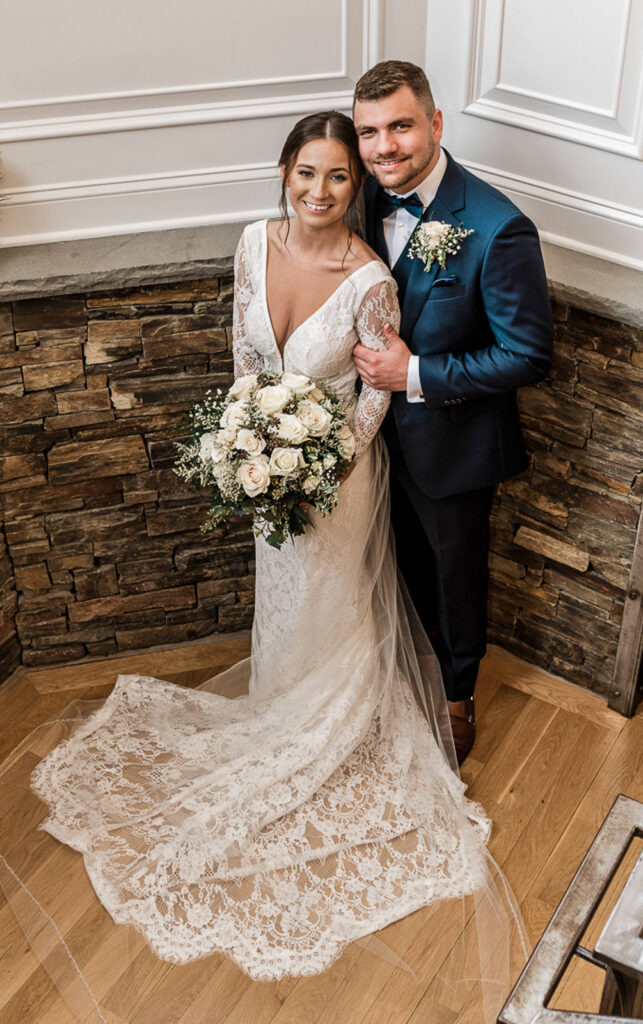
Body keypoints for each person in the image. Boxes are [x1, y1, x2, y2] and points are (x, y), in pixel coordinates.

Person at [0, 111, 524, 1021]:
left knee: (330, 601)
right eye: (305, 173)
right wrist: (247, 445)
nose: (319, 192)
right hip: (261, 472)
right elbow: (244, 354)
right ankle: (277, 709)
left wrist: (319, 469)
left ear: (352, 186)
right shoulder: (252, 241)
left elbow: (372, 394)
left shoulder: (368, 278)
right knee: (277, 604)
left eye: (336, 177)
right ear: (282, 172)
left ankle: (327, 726)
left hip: (333, 480)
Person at [352, 62, 554, 764]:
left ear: (436, 124)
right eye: (369, 132)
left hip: (453, 447)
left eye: (400, 126)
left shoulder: (498, 228)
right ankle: (396, 672)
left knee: (452, 575)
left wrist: (413, 374)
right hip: (368, 442)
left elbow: (527, 356)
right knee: (389, 564)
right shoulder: (355, 205)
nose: (384, 147)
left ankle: (456, 695)